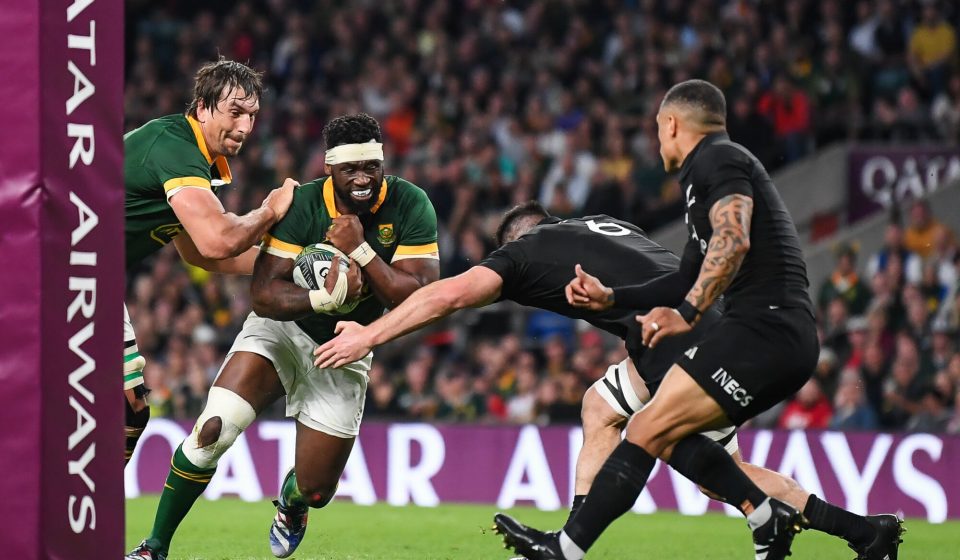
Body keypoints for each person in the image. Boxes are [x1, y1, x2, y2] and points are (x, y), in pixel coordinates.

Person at [314, 201, 901, 556]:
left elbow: (446, 296)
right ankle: (861, 532)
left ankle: (853, 530)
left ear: (514, 241)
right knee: (601, 406)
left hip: (686, 339)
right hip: (689, 325)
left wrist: (368, 334)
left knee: (683, 450)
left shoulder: (523, 254)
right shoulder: (600, 225)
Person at [493, 80, 903, 560]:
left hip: (762, 331)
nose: (657, 140)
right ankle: (855, 532)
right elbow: (686, 275)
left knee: (655, 433)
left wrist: (687, 314)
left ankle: (568, 548)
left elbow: (733, 240)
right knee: (621, 416)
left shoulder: (717, 160)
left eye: (657, 129)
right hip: (758, 330)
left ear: (672, 125)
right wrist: (613, 298)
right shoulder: (700, 184)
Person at [125, 113, 440, 560]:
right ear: (329, 168)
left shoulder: (410, 204)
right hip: (280, 330)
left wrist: (361, 250)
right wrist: (320, 299)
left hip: (347, 345)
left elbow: (419, 295)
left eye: (372, 166)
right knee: (213, 428)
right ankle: (154, 547)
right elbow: (264, 295)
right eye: (351, 169)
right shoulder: (304, 205)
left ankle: (293, 506)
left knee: (316, 489)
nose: (363, 178)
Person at [122, 58, 298, 465]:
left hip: (87, 278)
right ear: (202, 108)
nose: (244, 127)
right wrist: (269, 211)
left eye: (252, 116)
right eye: (234, 112)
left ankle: (82, 520)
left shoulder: (195, 157)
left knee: (127, 410)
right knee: (113, 410)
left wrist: (294, 266)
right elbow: (218, 241)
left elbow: (200, 254)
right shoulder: (176, 148)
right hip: (60, 268)